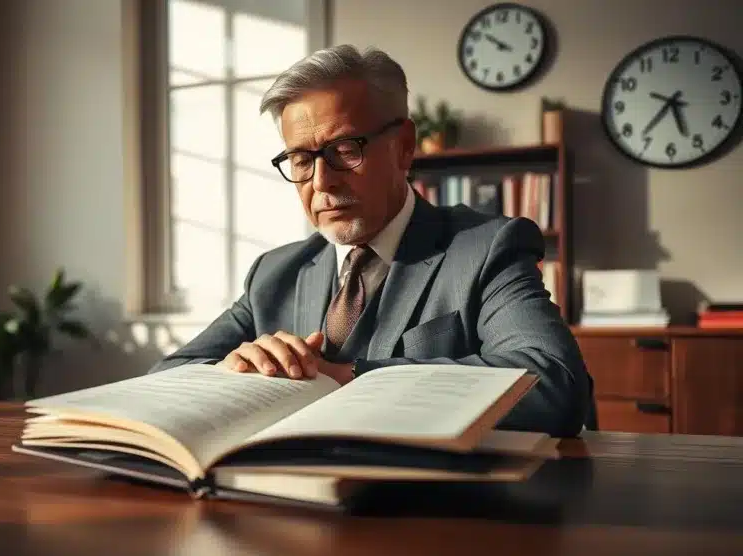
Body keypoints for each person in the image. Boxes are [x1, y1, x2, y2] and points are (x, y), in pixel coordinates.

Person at [149, 44, 591, 437]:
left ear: (403, 147)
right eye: (301, 160)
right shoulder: (273, 273)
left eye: (343, 150)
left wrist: (348, 376)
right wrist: (231, 373)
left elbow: (555, 385)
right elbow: (164, 377)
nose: (321, 182)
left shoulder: (488, 248)